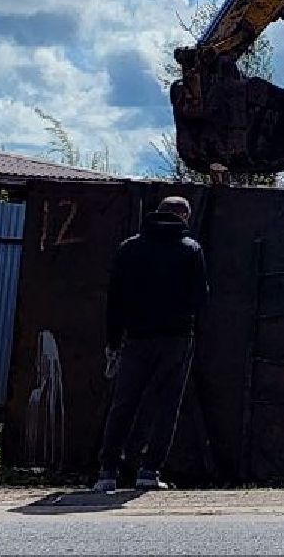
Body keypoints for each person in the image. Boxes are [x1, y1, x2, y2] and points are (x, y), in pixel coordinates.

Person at [93, 195, 207, 493]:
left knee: (124, 403)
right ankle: (148, 470)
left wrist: (113, 340)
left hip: (136, 337)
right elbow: (200, 298)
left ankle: (107, 471)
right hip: (176, 338)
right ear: (183, 215)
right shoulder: (190, 250)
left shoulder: (129, 248)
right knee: (166, 405)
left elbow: (114, 299)